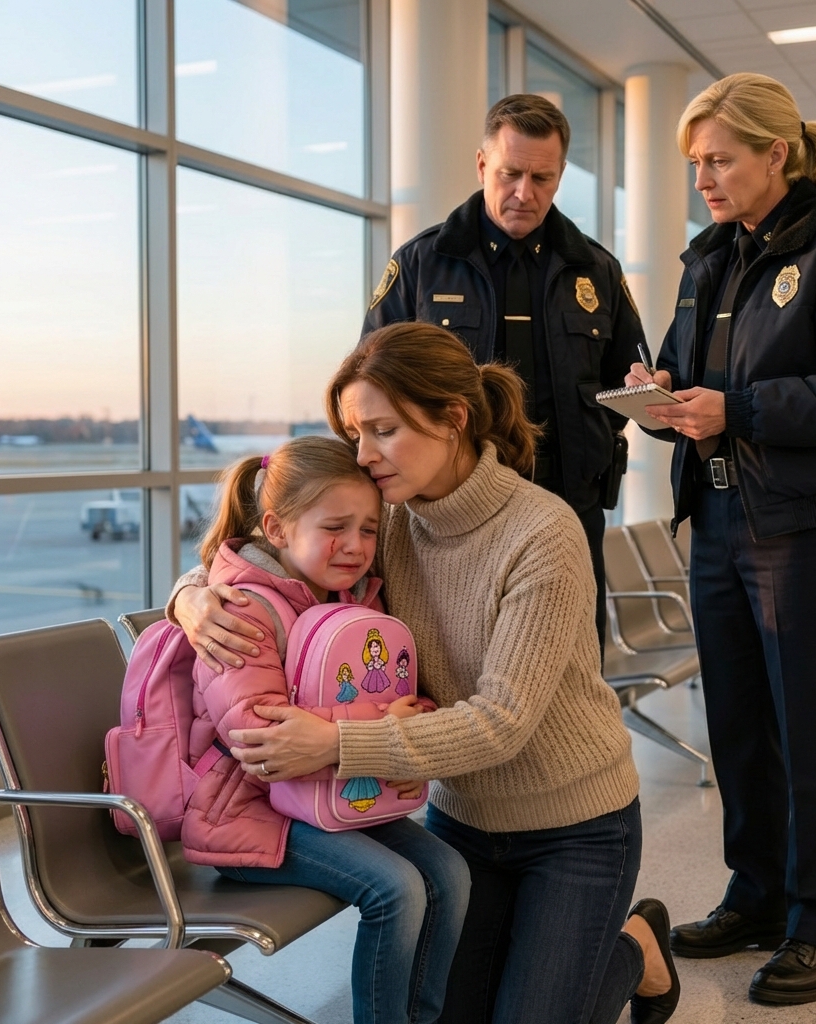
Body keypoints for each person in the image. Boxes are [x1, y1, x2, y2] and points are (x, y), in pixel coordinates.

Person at [169, 323, 680, 1024]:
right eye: (354, 434)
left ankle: (636, 946)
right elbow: (268, 556)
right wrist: (191, 597)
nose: (364, 455)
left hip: (576, 827)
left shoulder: (542, 532)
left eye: (382, 430)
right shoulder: (387, 526)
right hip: (462, 822)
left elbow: (500, 723)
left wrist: (335, 743)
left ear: (453, 418)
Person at [625, 73, 816, 1005]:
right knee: (739, 726)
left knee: (812, 733)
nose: (702, 176)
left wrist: (733, 407)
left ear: (775, 154)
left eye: (719, 158)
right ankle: (758, 894)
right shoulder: (709, 258)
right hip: (720, 521)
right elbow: (689, 382)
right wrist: (659, 399)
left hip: (804, 529)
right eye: (694, 161)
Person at [178, 435, 471, 1024]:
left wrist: (413, 718)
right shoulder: (239, 610)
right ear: (278, 530)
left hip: (329, 796)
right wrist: (378, 727)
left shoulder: (354, 597)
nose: (357, 546)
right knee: (397, 889)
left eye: (369, 529)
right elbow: (256, 739)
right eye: (336, 527)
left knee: (450, 872)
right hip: (248, 812)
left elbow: (389, 693)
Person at [362, 93, 646, 646]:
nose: (525, 193)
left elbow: (629, 385)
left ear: (561, 175)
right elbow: (371, 386)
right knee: (461, 664)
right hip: (453, 513)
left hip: (569, 506)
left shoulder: (598, 270)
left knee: (572, 663)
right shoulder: (421, 264)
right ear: (481, 165)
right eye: (510, 173)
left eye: (543, 178)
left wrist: (639, 402)